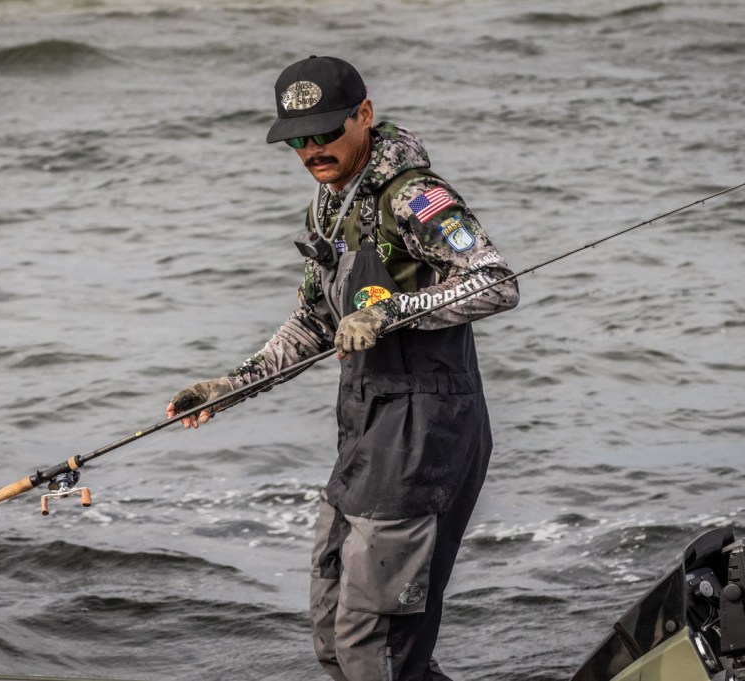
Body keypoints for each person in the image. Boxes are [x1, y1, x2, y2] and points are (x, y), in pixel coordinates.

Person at [167, 55, 519, 681]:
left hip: (424, 434)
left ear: (364, 114)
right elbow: (312, 323)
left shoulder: (415, 197)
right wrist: (229, 387)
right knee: (333, 635)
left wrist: (393, 312)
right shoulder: (327, 205)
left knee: (372, 646)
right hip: (362, 434)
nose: (311, 150)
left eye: (326, 133)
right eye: (296, 140)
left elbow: (496, 281)